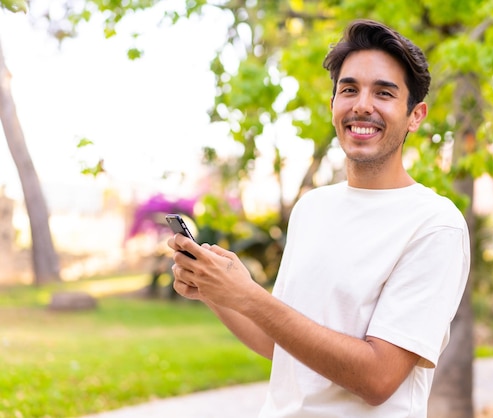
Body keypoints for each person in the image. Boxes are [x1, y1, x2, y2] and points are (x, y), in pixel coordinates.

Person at [168, 19, 470, 418]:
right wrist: (216, 291)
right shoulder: (313, 208)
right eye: (349, 89)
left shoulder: (435, 225)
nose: (362, 104)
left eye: (383, 92)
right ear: (333, 107)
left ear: (415, 115)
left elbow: (378, 378)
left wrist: (249, 296)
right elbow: (285, 347)